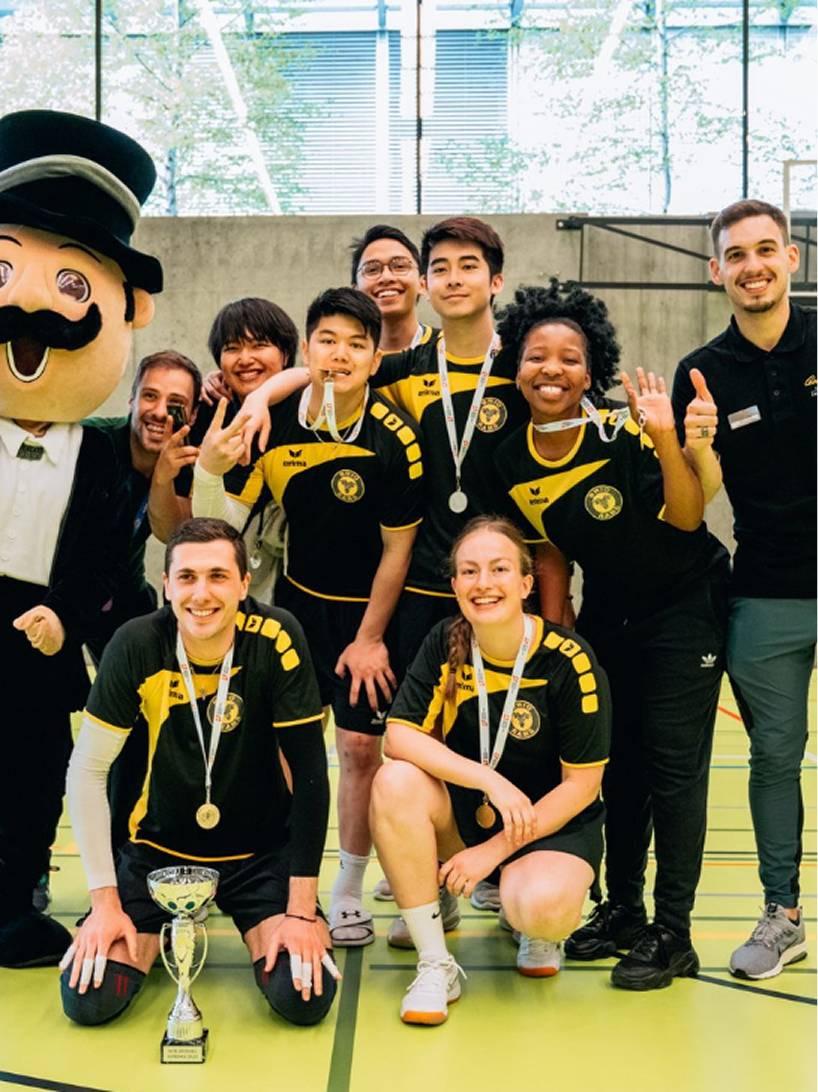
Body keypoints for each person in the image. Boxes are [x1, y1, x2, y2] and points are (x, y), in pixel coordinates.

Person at [494, 280, 731, 990]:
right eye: (538, 356)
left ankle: (674, 931)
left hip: (686, 604)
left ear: (590, 371)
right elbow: (550, 554)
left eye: (570, 358)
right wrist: (558, 631)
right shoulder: (510, 461)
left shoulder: (620, 429)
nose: (552, 370)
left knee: (671, 770)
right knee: (615, 766)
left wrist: (663, 434)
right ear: (518, 368)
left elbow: (689, 517)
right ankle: (624, 909)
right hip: (610, 613)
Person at [192, 288, 424, 948]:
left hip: (367, 621)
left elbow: (398, 547)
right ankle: (283, 882)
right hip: (295, 612)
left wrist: (371, 639)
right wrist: (213, 467)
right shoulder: (277, 420)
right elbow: (225, 522)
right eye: (328, 340)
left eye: (357, 343)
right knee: (289, 755)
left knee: (357, 751)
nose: (340, 354)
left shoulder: (395, 439)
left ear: (376, 358)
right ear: (310, 348)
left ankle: (349, 890)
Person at [59, 518, 339, 1028]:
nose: (201, 593)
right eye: (187, 577)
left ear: (243, 583)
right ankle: (162, 925)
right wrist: (104, 901)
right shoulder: (137, 643)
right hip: (156, 852)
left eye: (217, 576)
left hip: (258, 853)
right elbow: (87, 771)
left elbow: (311, 776)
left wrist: (301, 910)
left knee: (301, 997)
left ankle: (260, 918)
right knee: (89, 997)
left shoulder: (278, 636)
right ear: (166, 585)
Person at [0, 109, 161, 968]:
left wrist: (66, 611)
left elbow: (107, 552)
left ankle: (13, 891)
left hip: (41, 628)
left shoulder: (101, 450)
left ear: (125, 308)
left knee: (34, 764)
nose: (29, 305)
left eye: (73, 285)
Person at [370, 517, 610, 1024]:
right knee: (394, 781)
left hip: (549, 828)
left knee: (540, 908)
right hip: (469, 817)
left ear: (526, 583)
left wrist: (493, 853)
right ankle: (436, 960)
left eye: (499, 569)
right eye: (469, 571)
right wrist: (487, 780)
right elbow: (398, 736)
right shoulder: (446, 642)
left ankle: (528, 918)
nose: (483, 583)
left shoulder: (569, 660)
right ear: (454, 585)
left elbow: (583, 786)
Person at [672, 199, 815, 980]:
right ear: (716, 269)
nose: (753, 265)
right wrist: (697, 448)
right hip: (768, 587)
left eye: (767, 250)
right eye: (736, 254)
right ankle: (781, 915)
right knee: (773, 755)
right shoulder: (706, 370)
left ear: (791, 259)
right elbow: (703, 499)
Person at [86, 349, 202, 664]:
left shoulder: (186, 463)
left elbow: (171, 533)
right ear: (132, 400)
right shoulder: (91, 439)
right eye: (150, 396)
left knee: (146, 694)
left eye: (175, 404)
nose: (160, 411)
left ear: (191, 417)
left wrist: (162, 478)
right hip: (60, 588)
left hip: (123, 592)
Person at [190, 297, 305, 600]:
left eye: (259, 345)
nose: (245, 358)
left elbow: (318, 372)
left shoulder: (310, 403)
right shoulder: (216, 412)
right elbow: (215, 528)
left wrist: (262, 395)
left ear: (286, 353)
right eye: (232, 348)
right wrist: (207, 470)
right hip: (235, 585)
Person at [350, 224, 433, 352]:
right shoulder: (345, 358)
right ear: (356, 291)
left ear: (423, 284)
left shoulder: (449, 348)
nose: (386, 277)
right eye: (372, 270)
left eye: (399, 266)